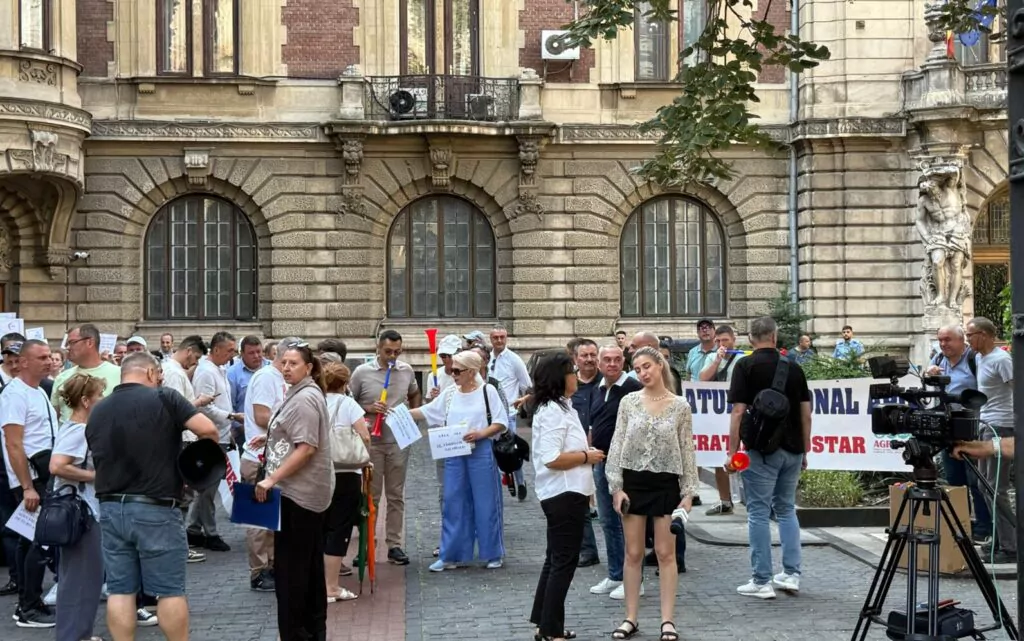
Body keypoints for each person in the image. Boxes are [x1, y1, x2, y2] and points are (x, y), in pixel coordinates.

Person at [86, 352, 218, 641]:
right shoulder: (165, 398)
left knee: (121, 590)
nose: (160, 379)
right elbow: (208, 430)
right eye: (158, 375)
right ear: (149, 373)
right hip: (156, 507)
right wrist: (192, 465)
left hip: (110, 507)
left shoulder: (98, 409)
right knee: (169, 590)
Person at [607, 346, 698, 641]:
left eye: (647, 366)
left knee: (664, 553)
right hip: (633, 483)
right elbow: (617, 444)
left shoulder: (680, 406)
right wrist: (616, 487)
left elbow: (687, 451)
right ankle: (630, 617)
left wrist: (688, 493)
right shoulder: (629, 402)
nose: (643, 373)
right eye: (637, 369)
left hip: (665, 484)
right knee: (633, 553)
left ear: (660, 365)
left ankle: (667, 620)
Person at [727, 316, 812, 599]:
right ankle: (792, 574)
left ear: (751, 339)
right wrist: (805, 448)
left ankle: (761, 580)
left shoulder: (745, 366)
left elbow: (738, 412)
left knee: (759, 512)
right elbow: (805, 413)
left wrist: (732, 450)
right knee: (786, 509)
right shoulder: (794, 367)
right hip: (793, 448)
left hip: (761, 450)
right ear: (775, 337)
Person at [254, 343, 334, 641]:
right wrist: (271, 439)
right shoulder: (300, 393)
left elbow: (307, 448)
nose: (286, 368)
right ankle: (310, 630)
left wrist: (270, 479)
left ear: (309, 367)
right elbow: (297, 437)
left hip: (298, 496)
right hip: (301, 494)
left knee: (293, 572)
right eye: (283, 362)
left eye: (293, 363)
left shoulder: (304, 398)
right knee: (307, 567)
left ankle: (296, 632)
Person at [407, 350, 507, 571]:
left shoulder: (487, 391)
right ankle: (450, 554)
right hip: (453, 450)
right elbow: (428, 411)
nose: (452, 374)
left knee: (486, 501)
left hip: (480, 450)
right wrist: (400, 413)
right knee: (453, 501)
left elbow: (500, 421)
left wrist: (481, 433)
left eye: (457, 370)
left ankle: (492, 553)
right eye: (452, 370)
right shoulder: (450, 393)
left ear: (471, 372)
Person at [528, 352, 604, 641]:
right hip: (562, 493)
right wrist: (587, 456)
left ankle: (545, 623)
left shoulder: (563, 407)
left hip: (569, 491)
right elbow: (551, 458)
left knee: (555, 559)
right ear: (560, 377)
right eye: (572, 370)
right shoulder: (551, 411)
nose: (576, 375)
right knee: (563, 561)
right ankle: (551, 630)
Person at [0, 339, 59, 628]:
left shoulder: (39, 391)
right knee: (39, 542)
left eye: (49, 356)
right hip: (31, 479)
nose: (48, 361)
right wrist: (26, 486)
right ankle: (28, 608)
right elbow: (13, 444)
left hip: (43, 475)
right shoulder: (15, 394)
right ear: (23, 362)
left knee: (29, 542)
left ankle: (28, 603)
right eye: (41, 357)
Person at [349, 329, 421, 566]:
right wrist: (369, 408)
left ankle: (395, 545)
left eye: (397, 352)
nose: (393, 356)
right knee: (370, 495)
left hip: (398, 441)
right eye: (388, 351)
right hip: (371, 442)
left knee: (396, 495)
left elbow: (414, 393)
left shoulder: (406, 370)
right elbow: (350, 403)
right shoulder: (362, 372)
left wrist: (410, 417)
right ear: (378, 348)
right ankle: (367, 545)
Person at [50, 373, 107, 641]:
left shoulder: (77, 428)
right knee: (81, 578)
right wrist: (96, 476)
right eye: (99, 396)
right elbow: (58, 465)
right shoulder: (78, 430)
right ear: (85, 401)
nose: (102, 400)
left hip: (84, 509)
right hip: (82, 510)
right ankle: (73, 635)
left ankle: (79, 633)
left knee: (85, 576)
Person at [242, 337, 301, 591]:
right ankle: (258, 571)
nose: (294, 365)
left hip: (275, 456)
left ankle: (273, 566)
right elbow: (262, 415)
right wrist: (293, 428)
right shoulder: (267, 377)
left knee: (272, 519)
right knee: (258, 520)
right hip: (258, 458)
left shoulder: (282, 379)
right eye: (292, 359)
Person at [588, 345, 642, 601]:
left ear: (624, 361)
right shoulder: (598, 389)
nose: (612, 364)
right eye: (607, 360)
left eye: (617, 359)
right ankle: (616, 574)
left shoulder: (632, 388)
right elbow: (593, 424)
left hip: (624, 466)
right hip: (601, 462)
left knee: (627, 523)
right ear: (599, 363)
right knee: (608, 521)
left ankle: (635, 580)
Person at [926, 324, 989, 543]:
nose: (944, 344)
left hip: (972, 426)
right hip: (947, 427)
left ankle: (984, 526)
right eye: (941, 340)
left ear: (962, 340)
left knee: (975, 479)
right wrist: (928, 372)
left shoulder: (974, 360)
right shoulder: (938, 360)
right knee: (954, 480)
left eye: (948, 339)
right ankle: (962, 524)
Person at [965, 316, 1016, 563]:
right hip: (987, 426)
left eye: (970, 335)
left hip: (1002, 427)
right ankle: (1001, 540)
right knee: (986, 488)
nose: (967, 340)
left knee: (996, 489)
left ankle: (1012, 545)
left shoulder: (1002, 360)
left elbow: (1018, 388)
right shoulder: (978, 357)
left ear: (984, 335)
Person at [187, 331, 242, 553]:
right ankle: (210, 533)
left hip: (223, 434)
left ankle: (193, 528)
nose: (232, 354)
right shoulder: (206, 372)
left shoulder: (219, 369)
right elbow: (202, 407)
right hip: (210, 436)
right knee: (208, 488)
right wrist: (231, 416)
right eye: (230, 350)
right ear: (216, 349)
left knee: (207, 487)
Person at [321, 360, 369, 602]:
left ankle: (317, 583)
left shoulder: (315, 401)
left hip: (318, 473)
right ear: (345, 383)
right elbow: (365, 435)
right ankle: (331, 587)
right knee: (339, 529)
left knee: (319, 527)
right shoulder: (348, 404)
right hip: (346, 474)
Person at [489, 326, 532, 500]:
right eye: (495, 337)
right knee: (492, 451)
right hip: (489, 414)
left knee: (511, 451)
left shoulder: (514, 360)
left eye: (502, 337)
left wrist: (523, 400)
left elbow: (527, 386)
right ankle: (501, 480)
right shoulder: (487, 359)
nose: (499, 340)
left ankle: (520, 482)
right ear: (490, 339)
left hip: (508, 414)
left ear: (506, 338)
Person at [52, 324, 122, 422]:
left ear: (89, 342)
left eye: (72, 342)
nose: (68, 347)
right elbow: (54, 418)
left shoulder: (119, 374)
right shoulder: (62, 377)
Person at [228, 335, 267, 447]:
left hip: (270, 429)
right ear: (242, 354)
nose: (256, 356)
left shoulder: (271, 368)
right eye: (251, 353)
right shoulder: (232, 374)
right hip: (244, 433)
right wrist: (240, 427)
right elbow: (230, 405)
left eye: (259, 352)